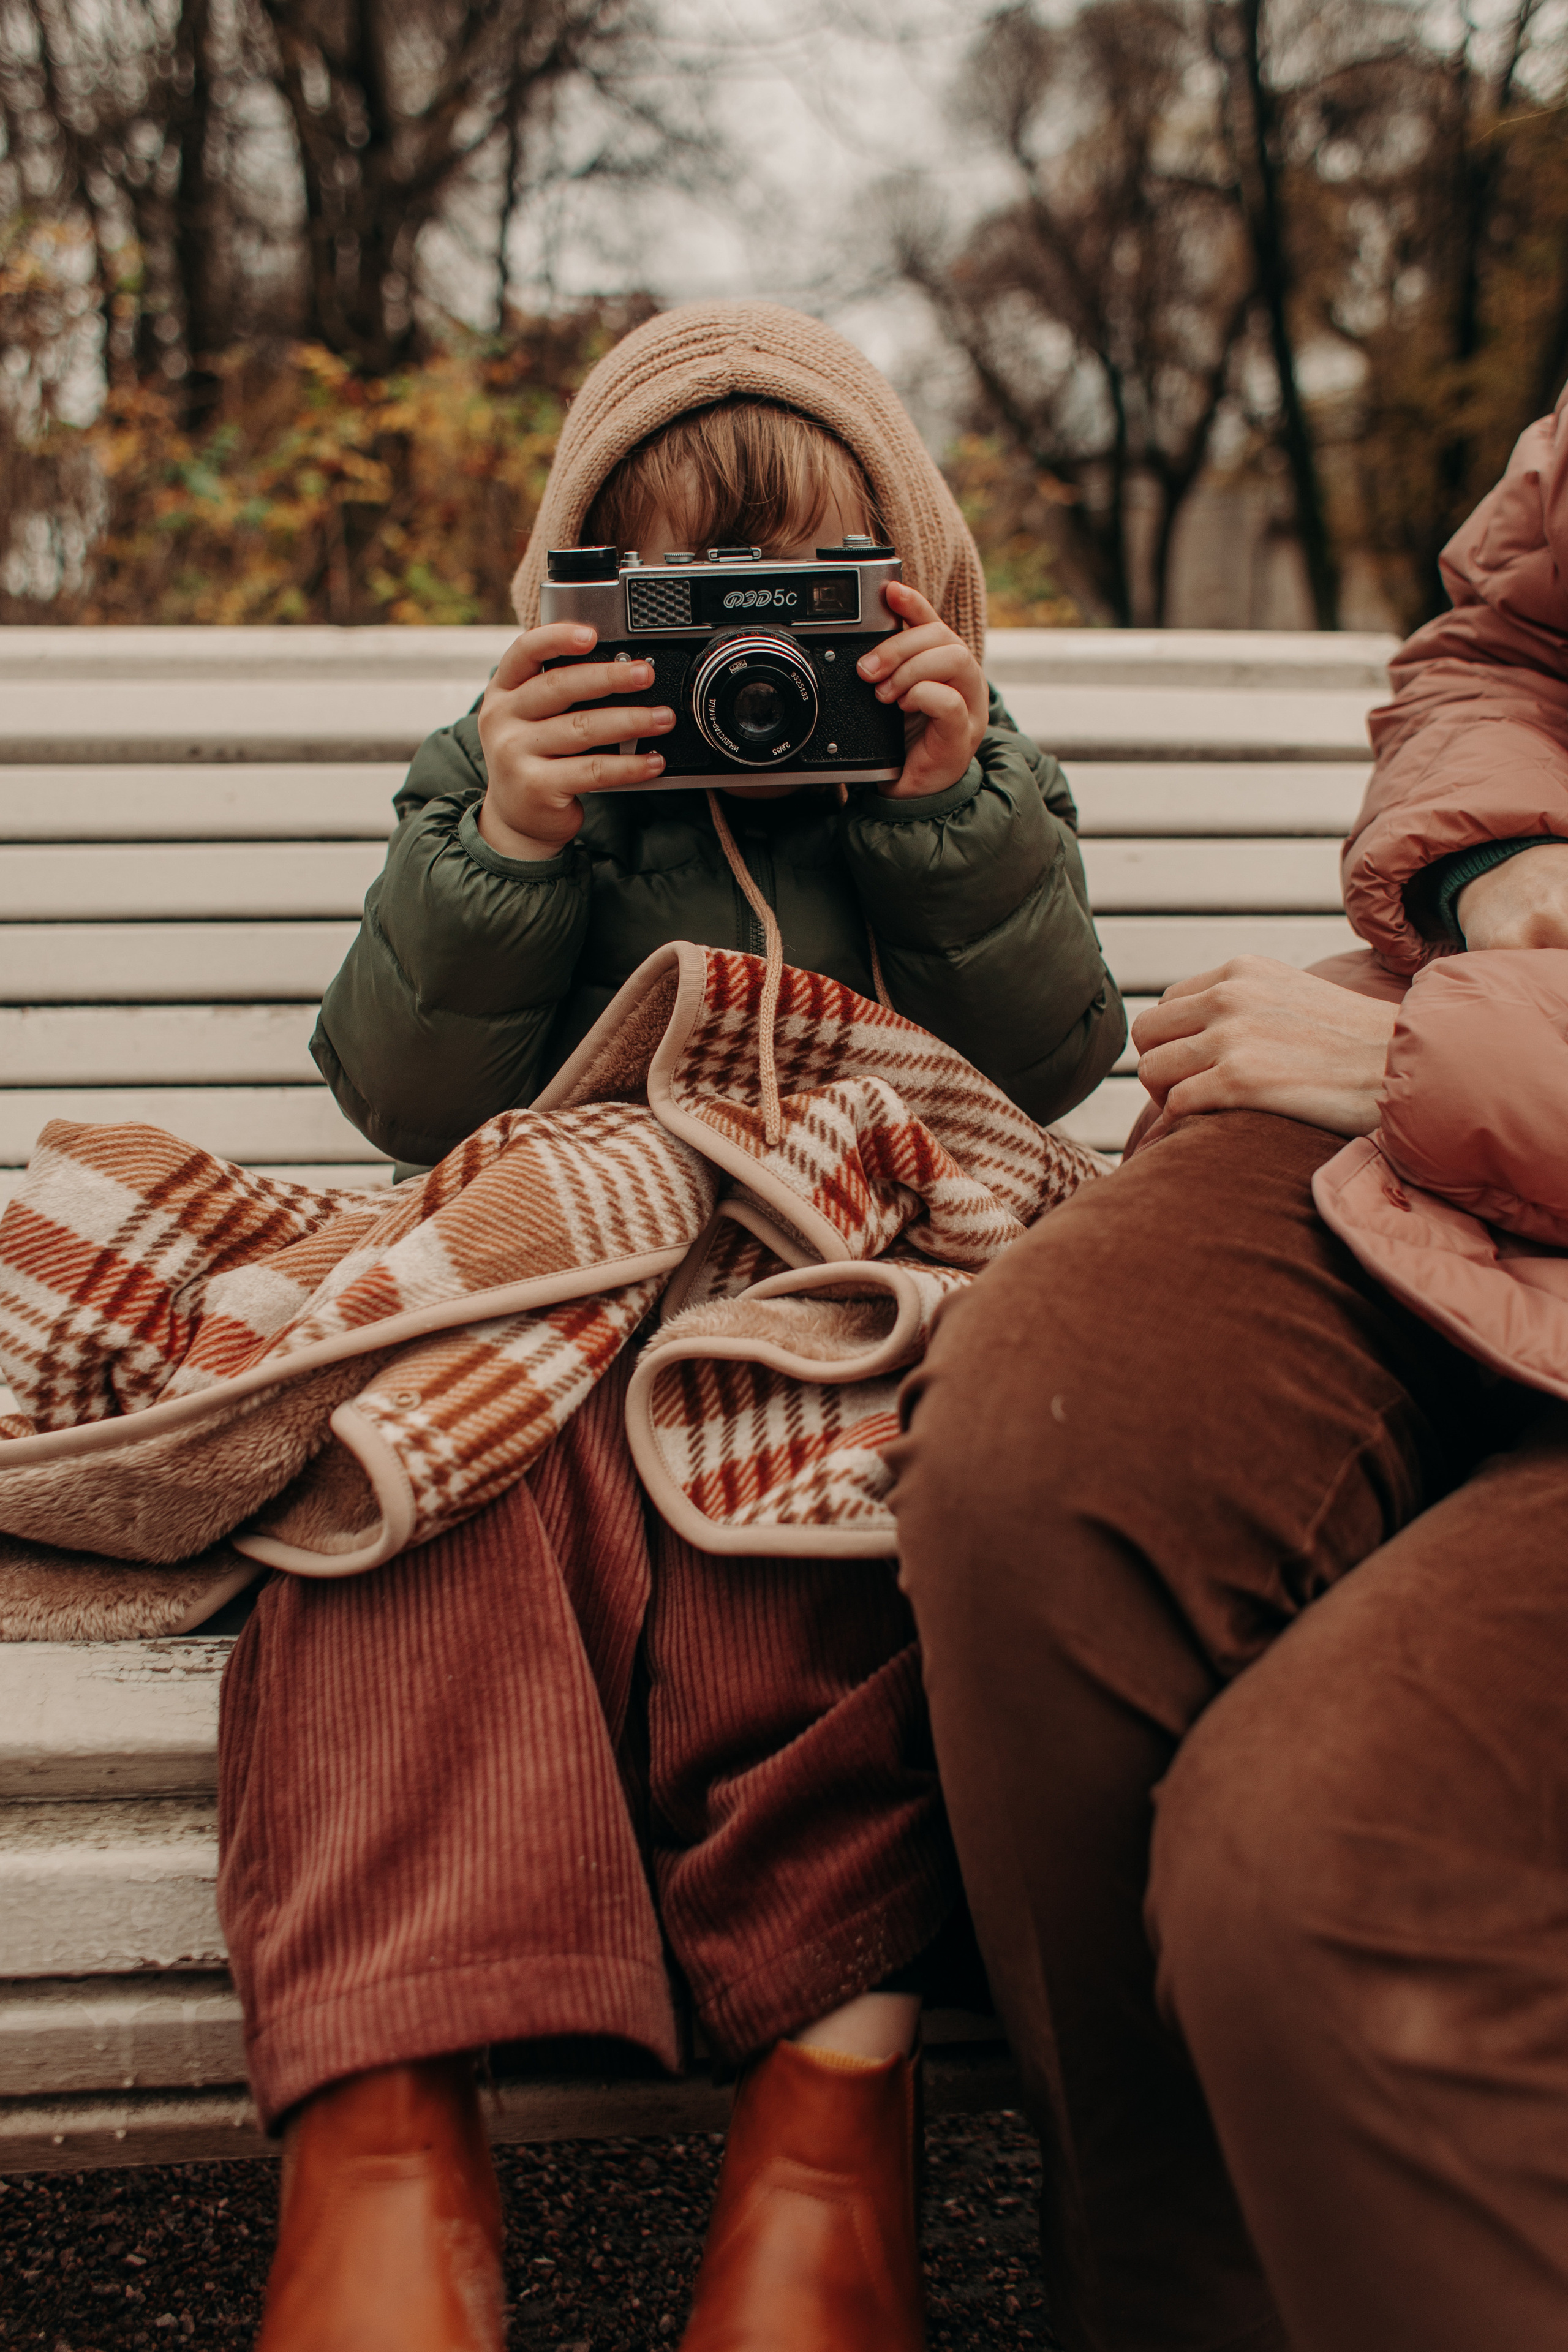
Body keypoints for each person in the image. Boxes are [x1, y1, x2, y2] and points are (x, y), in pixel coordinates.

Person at [222, 299, 1125, 2352]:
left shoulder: (957, 763)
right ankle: (382, 2141)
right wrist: (516, 840)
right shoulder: (508, 773)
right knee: (400, 1508)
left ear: (907, 589)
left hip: (841, 1269)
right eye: (679, 614)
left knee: (839, 1543)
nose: (742, 668)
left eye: (800, 606)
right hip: (574, 1277)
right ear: (574, 604)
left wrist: (947, 814)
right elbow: (400, 1095)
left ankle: (834, 2115)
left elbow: (1055, 1067)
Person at [889, 396, 1568, 2352]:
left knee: (1333, 1877)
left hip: (1453, 1074)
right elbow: (1509, 639)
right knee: (1034, 1455)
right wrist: (1499, 861)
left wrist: (1446, 1067)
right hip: (1461, 1062)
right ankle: (1171, 2294)